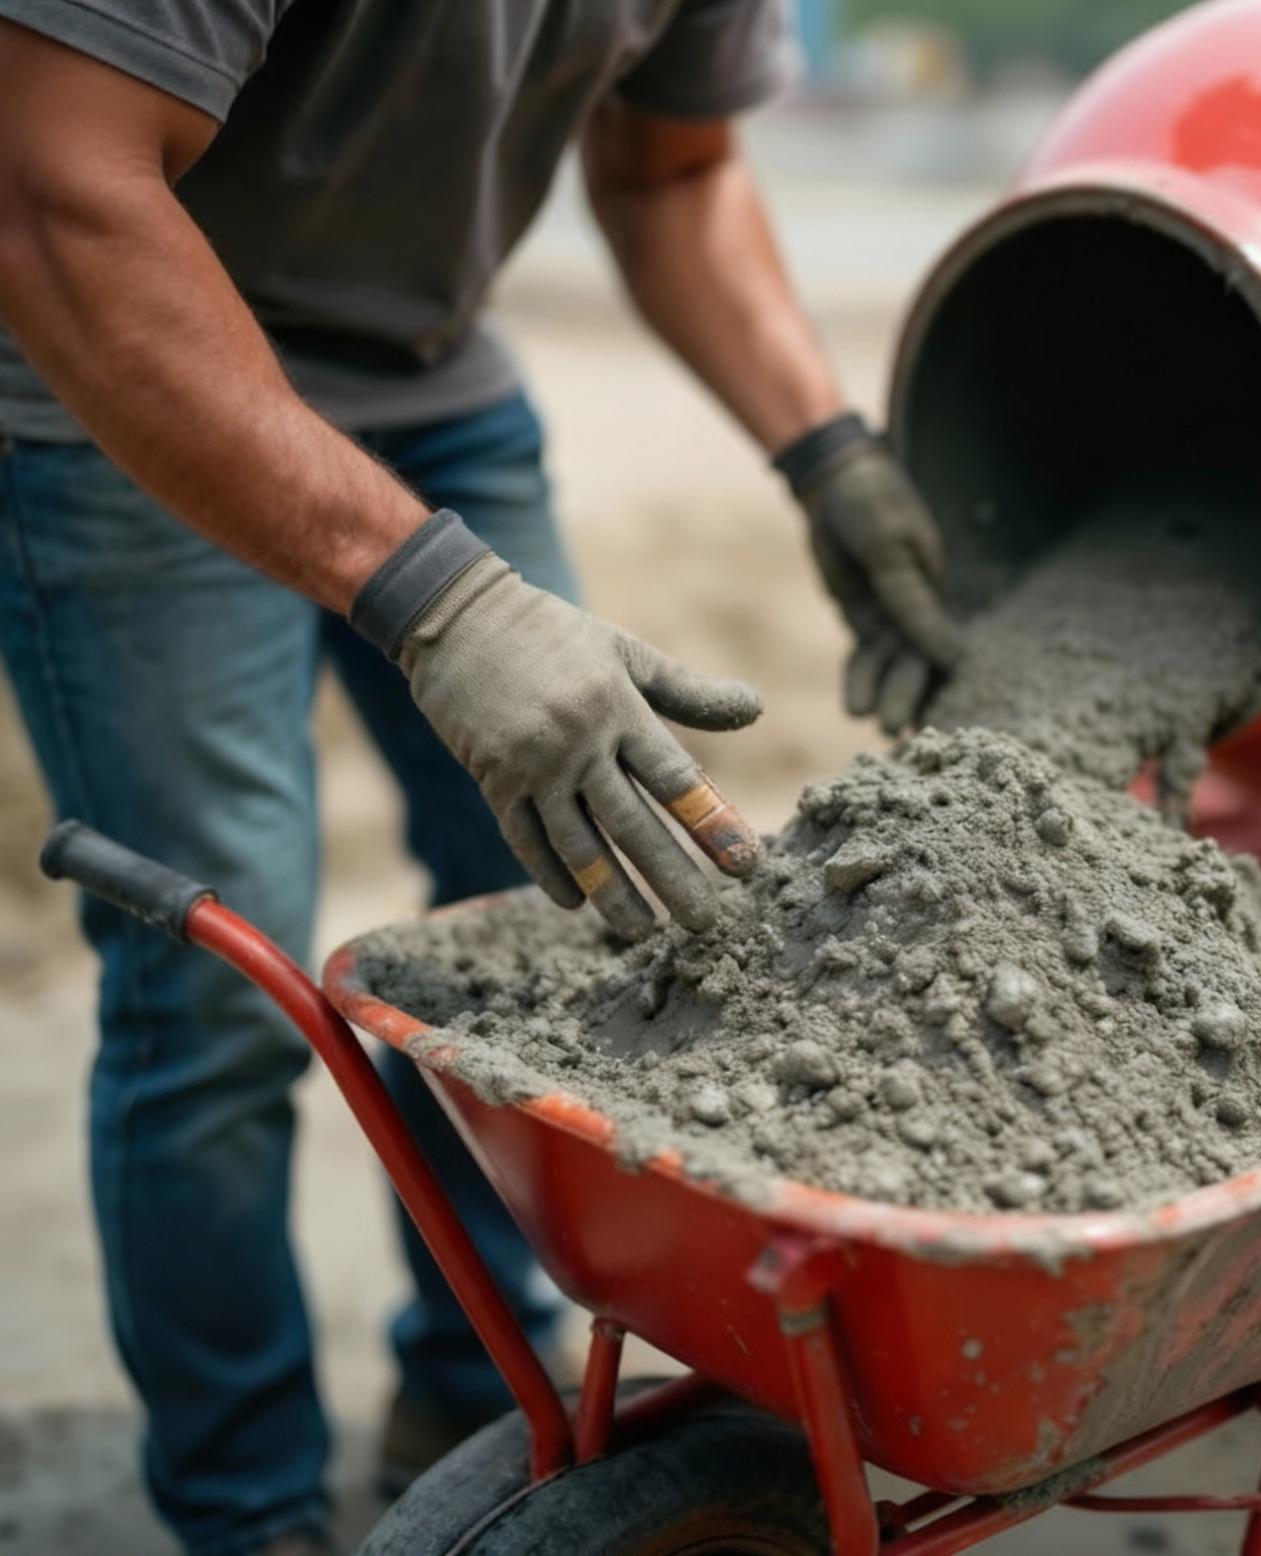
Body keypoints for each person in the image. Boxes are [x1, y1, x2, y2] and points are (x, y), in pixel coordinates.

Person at [0, 4, 961, 1553]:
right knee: (221, 1003)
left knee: (579, 931)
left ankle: (474, 1394)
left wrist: (830, 451)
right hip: (122, 356)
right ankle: (245, 1514)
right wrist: (439, 605)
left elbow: (668, 174)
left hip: (436, 391)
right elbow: (56, 186)